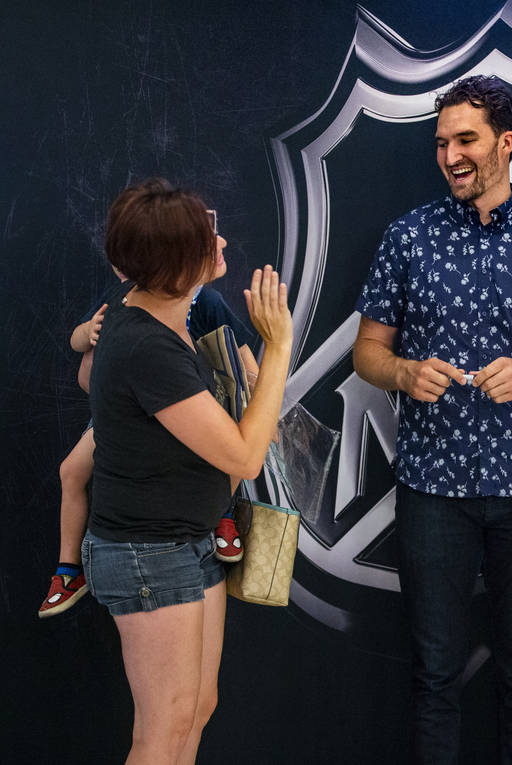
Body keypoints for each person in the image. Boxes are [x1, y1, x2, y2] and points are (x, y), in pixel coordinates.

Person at [352, 75, 512, 764]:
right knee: (435, 675)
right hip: (432, 490)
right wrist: (403, 371)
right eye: (442, 142)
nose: (451, 155)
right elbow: (367, 351)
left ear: (505, 142)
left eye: (466, 139)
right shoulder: (408, 238)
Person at [81, 179, 292, 764]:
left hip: (188, 542)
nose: (220, 240)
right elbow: (246, 456)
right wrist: (277, 347)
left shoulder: (171, 318)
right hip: (149, 553)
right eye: (206, 237)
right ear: (177, 265)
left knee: (195, 709)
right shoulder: (146, 346)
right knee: (163, 729)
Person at [38, 261, 259, 617]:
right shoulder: (121, 304)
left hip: (194, 414)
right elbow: (82, 352)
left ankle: (222, 515)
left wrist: (260, 391)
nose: (220, 245)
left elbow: (242, 356)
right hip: (127, 417)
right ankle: (68, 570)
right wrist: (89, 332)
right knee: (71, 470)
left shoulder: (207, 302)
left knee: (218, 454)